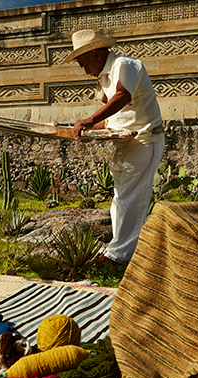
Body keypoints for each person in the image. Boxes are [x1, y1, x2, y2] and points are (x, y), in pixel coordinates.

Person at [63, 29, 164, 265]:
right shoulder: (105, 76)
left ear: (96, 55)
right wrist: (88, 127)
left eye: (83, 63)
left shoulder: (124, 65)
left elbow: (122, 97)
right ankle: (122, 248)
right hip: (126, 142)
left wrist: (88, 120)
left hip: (143, 140)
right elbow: (113, 118)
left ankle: (119, 256)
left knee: (131, 199)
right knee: (120, 198)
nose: (84, 70)